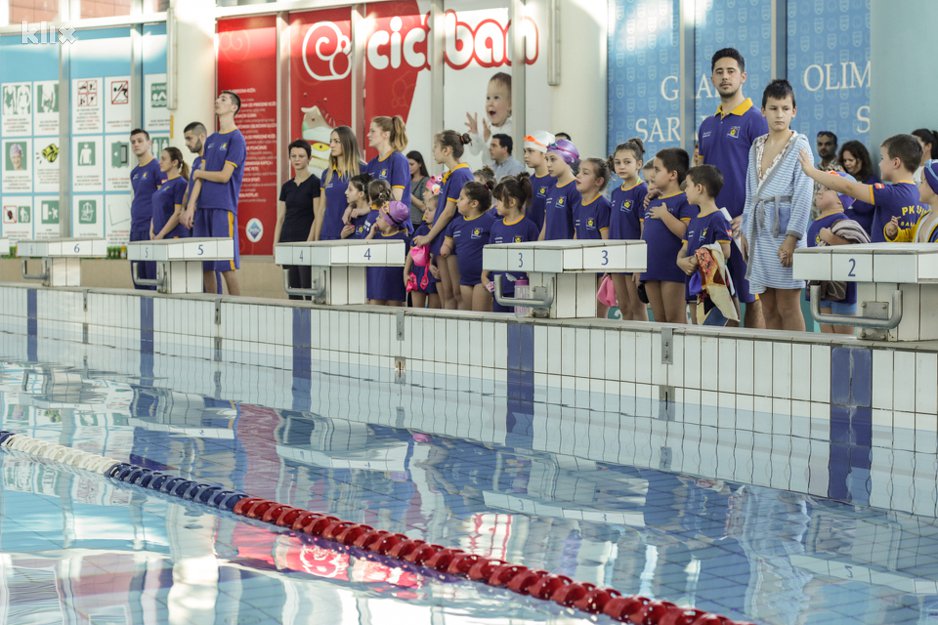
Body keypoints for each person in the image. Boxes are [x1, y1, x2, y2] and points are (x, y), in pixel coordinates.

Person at [696, 47, 767, 329]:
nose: (725, 77)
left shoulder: (756, 119)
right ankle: (729, 355)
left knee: (754, 298)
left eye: (731, 71)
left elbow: (766, 173)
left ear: (743, 76)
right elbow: (700, 177)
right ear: (712, 79)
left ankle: (757, 354)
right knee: (721, 297)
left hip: (745, 227)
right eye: (719, 72)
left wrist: (748, 215)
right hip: (714, 226)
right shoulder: (706, 125)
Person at [742, 79, 812, 332]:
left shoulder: (800, 145)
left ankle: (799, 355)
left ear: (794, 111)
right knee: (768, 308)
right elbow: (750, 193)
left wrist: (792, 238)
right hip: (759, 235)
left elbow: (804, 195)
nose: (779, 114)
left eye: (785, 108)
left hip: (785, 233)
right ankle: (775, 356)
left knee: (788, 306)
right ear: (763, 111)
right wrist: (745, 232)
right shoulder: (756, 145)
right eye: (773, 108)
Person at [800, 133, 928, 243]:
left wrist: (811, 171)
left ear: (895, 162)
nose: (879, 163)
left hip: (884, 261)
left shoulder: (890, 193)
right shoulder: (921, 196)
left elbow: (848, 188)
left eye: (882, 158)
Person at [182, 91, 246, 296]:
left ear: (233, 107)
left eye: (223, 99)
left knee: (226, 266)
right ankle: (212, 308)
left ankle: (237, 309)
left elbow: (225, 176)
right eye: (218, 98)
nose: (218, 101)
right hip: (203, 209)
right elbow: (198, 180)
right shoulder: (211, 140)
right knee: (205, 266)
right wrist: (190, 207)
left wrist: (200, 172)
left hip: (222, 208)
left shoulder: (237, 139)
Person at [413, 131, 473, 310]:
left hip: (452, 238)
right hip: (442, 237)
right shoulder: (452, 174)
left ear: (447, 150)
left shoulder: (460, 174)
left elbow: (448, 212)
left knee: (456, 293)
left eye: (436, 147)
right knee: (447, 293)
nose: (433, 151)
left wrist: (428, 237)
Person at [639, 148, 696, 324]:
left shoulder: (685, 200)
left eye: (657, 170)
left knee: (674, 320)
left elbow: (686, 233)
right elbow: (645, 235)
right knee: (659, 320)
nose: (652, 174)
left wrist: (665, 215)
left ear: (672, 174)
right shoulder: (652, 201)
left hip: (672, 268)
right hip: (651, 267)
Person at [677, 165, 739, 326]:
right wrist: (680, 261)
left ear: (699, 188)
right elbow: (684, 249)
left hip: (714, 289)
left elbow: (725, 251)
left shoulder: (718, 218)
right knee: (697, 332)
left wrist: (697, 259)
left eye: (688, 186)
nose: (685, 190)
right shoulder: (693, 221)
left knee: (718, 333)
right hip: (694, 287)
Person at [807, 171, 862, 334]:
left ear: (841, 199)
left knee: (844, 340)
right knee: (828, 338)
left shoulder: (843, 221)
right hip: (822, 288)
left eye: (827, 188)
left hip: (843, 291)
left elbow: (856, 247)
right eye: (820, 187)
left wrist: (832, 239)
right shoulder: (815, 223)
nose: (819, 191)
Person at [483, 174, 541, 313]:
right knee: (500, 323)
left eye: (499, 200)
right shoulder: (496, 226)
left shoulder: (529, 227)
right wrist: (484, 276)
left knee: (520, 322)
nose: (496, 205)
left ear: (512, 202)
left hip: (522, 289)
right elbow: (491, 255)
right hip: (499, 288)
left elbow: (536, 258)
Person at [609, 138, 649, 321]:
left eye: (627, 162)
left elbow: (644, 228)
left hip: (633, 257)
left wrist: (639, 264)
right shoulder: (615, 193)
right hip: (617, 256)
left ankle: (644, 339)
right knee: (624, 307)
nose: (621, 166)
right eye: (618, 162)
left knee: (637, 307)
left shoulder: (642, 190)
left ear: (638, 164)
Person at [276, 139, 321, 300]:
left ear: (309, 158)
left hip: (304, 242)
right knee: (292, 291)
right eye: (293, 156)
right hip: (287, 241)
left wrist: (309, 242)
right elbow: (280, 218)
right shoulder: (286, 186)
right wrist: (276, 246)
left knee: (307, 290)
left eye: (301, 156)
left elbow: (317, 215)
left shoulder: (315, 183)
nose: (297, 159)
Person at [443, 182, 497, 311]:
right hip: (465, 279)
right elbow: (448, 239)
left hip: (483, 279)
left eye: (461, 198)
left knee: (480, 315)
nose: (457, 201)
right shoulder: (456, 224)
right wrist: (446, 247)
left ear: (474, 203)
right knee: (470, 317)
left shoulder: (490, 222)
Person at [183, 121, 223, 294]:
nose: (187, 143)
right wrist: (184, 209)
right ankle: (208, 300)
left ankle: (217, 300)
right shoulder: (196, 161)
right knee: (203, 264)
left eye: (189, 138)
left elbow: (202, 181)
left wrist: (191, 206)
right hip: (196, 216)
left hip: (210, 211)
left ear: (202, 136)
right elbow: (190, 188)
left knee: (214, 263)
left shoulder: (211, 160)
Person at [129, 128, 162, 290]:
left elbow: (161, 200)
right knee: (138, 279)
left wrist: (154, 226)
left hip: (150, 229)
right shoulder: (134, 172)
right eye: (133, 142)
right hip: (136, 228)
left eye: (140, 141)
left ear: (149, 143)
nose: (136, 144)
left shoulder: (157, 167)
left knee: (152, 280)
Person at [317, 126, 362, 241]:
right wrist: (316, 240)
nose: (331, 145)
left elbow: (367, 203)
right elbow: (321, 210)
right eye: (331, 141)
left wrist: (351, 207)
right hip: (327, 235)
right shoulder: (326, 174)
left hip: (351, 234)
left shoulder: (362, 169)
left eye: (336, 141)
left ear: (347, 143)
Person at [365, 116, 412, 222]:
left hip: (394, 224)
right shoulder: (372, 164)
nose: (368, 135)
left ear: (386, 134)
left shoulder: (398, 160)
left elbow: (395, 200)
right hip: (376, 221)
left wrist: (367, 209)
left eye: (372, 131)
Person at [364, 200, 410, 307]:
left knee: (394, 312)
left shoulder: (403, 240)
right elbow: (362, 250)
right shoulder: (375, 237)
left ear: (388, 223)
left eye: (380, 217)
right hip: (376, 287)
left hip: (395, 287)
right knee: (375, 312)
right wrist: (371, 234)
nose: (376, 219)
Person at [466, 72, 513, 168]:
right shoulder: (486, 127)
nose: (490, 103)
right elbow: (475, 151)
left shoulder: (510, 129)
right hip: (487, 173)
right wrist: (474, 134)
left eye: (496, 98)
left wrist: (488, 139)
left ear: (510, 105)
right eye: (488, 98)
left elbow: (501, 154)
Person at [885, 160, 938, 243]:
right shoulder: (924, 218)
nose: (918, 187)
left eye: (922, 182)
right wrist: (895, 233)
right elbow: (910, 236)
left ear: (933, 187)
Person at [540, 139, 581, 240]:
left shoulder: (576, 189)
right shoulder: (551, 189)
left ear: (568, 159)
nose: (548, 164)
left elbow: (578, 230)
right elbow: (546, 226)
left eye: (553, 159)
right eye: (547, 159)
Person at [837, 140, 879, 235]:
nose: (847, 163)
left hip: (862, 233)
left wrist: (850, 187)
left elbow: (863, 208)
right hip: (842, 231)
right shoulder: (843, 179)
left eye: (851, 160)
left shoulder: (871, 181)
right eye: (845, 160)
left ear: (860, 160)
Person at [406, 196, 440, 309]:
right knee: (416, 312)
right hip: (418, 273)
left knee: (434, 314)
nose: (425, 213)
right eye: (425, 209)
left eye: (430, 210)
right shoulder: (421, 229)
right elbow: (411, 252)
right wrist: (405, 272)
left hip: (434, 274)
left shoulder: (442, 231)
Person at [150, 147, 190, 241]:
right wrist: (152, 230)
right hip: (159, 236)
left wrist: (161, 234)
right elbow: (156, 210)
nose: (160, 162)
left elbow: (178, 213)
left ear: (174, 162)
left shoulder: (180, 183)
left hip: (173, 236)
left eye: (163, 159)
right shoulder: (164, 185)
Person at [522, 131, 556, 231]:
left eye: (530, 151)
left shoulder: (555, 181)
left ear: (544, 153)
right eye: (525, 151)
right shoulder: (528, 181)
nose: (525, 155)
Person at [340, 173, 373, 239]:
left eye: (350, 189)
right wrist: (342, 236)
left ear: (361, 194)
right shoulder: (349, 215)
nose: (345, 192)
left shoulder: (373, 216)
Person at [407, 150, 431, 224]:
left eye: (412, 164)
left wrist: (408, 194)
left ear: (420, 164)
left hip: (417, 223)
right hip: (405, 221)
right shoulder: (407, 180)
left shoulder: (426, 181)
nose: (409, 167)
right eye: (407, 164)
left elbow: (424, 206)